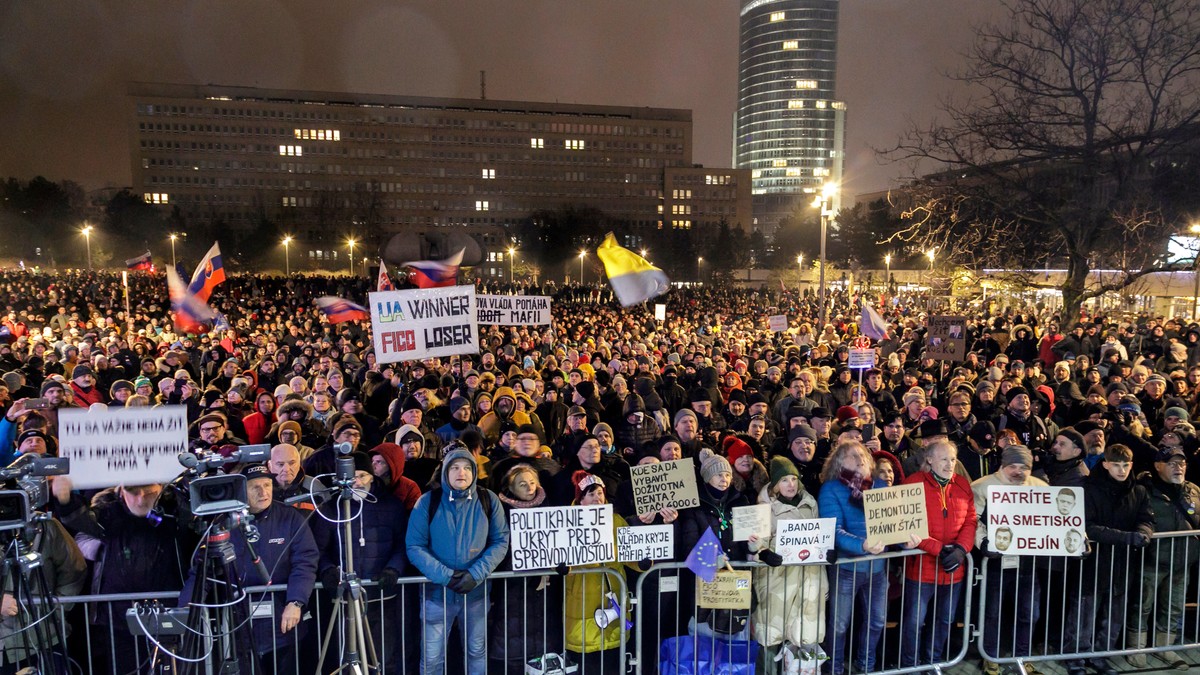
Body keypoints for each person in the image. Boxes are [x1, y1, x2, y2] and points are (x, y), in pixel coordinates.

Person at [180, 463, 318, 674]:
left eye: (267, 485)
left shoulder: (290, 517)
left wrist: (296, 601)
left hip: (283, 625)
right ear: (241, 491)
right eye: (255, 487)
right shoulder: (223, 523)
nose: (263, 492)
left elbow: (305, 562)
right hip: (237, 625)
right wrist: (185, 609)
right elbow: (203, 572)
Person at [405, 446, 509, 675]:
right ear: (445, 472)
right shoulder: (427, 502)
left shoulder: (488, 500)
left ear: (474, 472)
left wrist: (476, 574)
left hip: (476, 594)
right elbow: (414, 546)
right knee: (432, 658)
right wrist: (446, 576)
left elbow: (500, 541)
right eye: (454, 468)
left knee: (476, 652)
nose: (461, 473)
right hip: (436, 595)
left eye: (466, 468)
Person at [311, 453, 407, 675]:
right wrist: (327, 571)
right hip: (344, 599)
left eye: (362, 475)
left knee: (383, 657)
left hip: (381, 598)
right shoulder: (331, 508)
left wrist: (393, 569)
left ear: (372, 476)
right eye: (351, 477)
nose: (356, 482)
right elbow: (318, 549)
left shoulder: (392, 506)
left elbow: (403, 544)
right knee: (346, 659)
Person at [1063, 444, 1154, 675]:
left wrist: (1144, 533)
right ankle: (1075, 657)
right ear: (1105, 465)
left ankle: (1101, 656)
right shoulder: (1089, 489)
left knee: (1114, 613)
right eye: (1116, 465)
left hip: (1123, 562)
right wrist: (1127, 538)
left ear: (1131, 465)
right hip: (1093, 560)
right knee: (1084, 611)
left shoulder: (1139, 491)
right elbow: (1087, 526)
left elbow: (1146, 519)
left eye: (1125, 465)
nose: (1121, 470)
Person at [899, 439, 976, 669]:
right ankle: (911, 666)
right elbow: (906, 524)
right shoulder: (913, 483)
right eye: (944, 459)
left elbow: (971, 521)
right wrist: (938, 549)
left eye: (953, 459)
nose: (950, 464)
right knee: (914, 622)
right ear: (930, 460)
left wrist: (962, 549)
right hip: (921, 569)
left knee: (945, 620)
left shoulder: (962, 484)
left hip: (953, 569)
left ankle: (933, 662)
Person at [970, 444, 1047, 675]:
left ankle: (1022, 658)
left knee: (1029, 614)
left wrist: (1078, 540)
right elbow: (972, 519)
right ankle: (990, 658)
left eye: (1024, 467)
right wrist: (983, 542)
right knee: (991, 613)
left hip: (1027, 563)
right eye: (1013, 466)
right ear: (1003, 465)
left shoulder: (1040, 487)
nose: (1018, 471)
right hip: (995, 562)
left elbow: (1059, 520)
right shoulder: (982, 486)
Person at [748, 456, 829, 674]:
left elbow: (818, 538)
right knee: (772, 636)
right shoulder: (764, 507)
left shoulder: (810, 503)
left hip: (807, 582)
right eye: (784, 480)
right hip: (777, 583)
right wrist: (763, 554)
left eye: (793, 479)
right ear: (775, 484)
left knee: (803, 636)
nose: (790, 484)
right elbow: (755, 544)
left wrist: (826, 553)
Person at [1127, 447, 1200, 670]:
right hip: (1153, 559)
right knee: (1142, 605)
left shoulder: (1193, 490)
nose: (1179, 467)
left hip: (1183, 560)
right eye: (1172, 463)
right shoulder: (1144, 490)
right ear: (1158, 466)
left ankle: (1164, 648)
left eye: (1182, 463)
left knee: (1173, 607)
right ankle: (1136, 647)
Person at [818, 441, 887, 675]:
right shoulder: (831, 489)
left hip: (877, 569)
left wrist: (904, 540)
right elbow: (833, 531)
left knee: (877, 621)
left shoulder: (880, 486)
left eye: (862, 454)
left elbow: (891, 525)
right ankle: (834, 669)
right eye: (852, 456)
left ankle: (866, 666)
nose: (860, 459)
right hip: (846, 568)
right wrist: (862, 545)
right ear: (839, 463)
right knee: (839, 625)